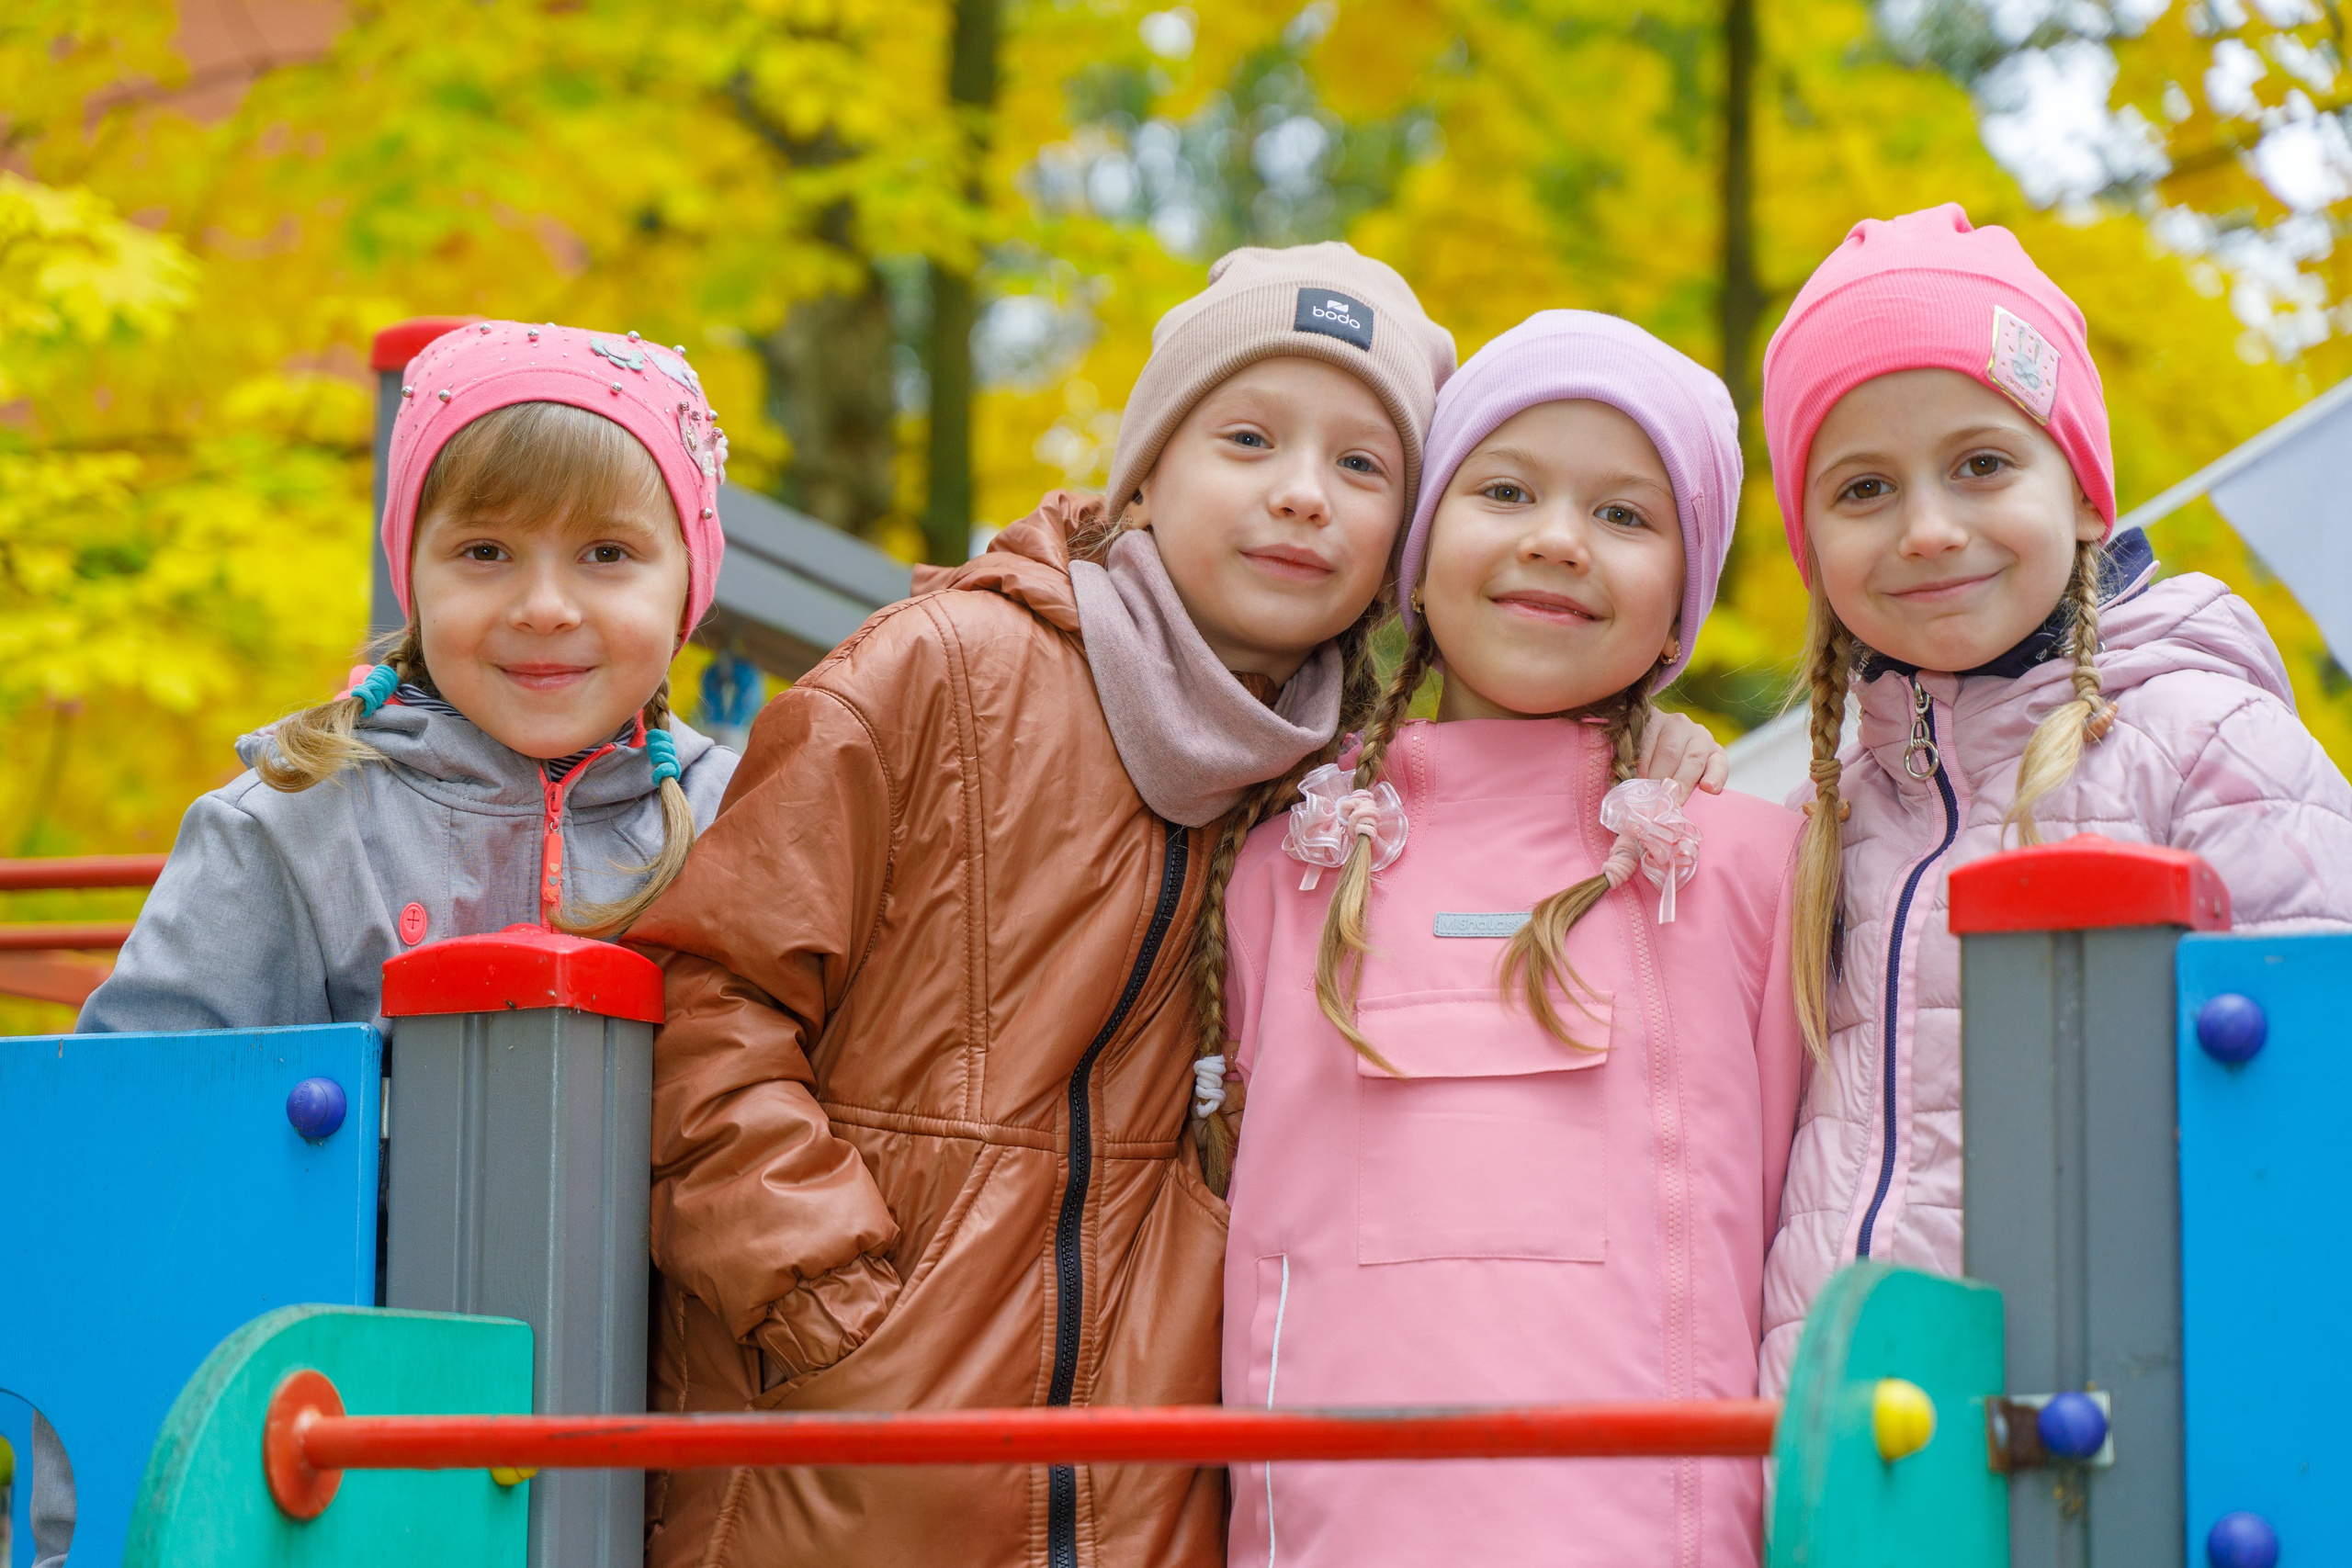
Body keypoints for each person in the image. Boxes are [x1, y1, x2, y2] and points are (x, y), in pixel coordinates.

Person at [628, 248, 1728, 1568]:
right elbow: (709, 988)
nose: (1301, 494)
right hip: (843, 1466)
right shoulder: (942, 672)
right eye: (1249, 437)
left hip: (1128, 1505)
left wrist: (1650, 748)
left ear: (1403, 547)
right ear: (1145, 471)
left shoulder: (1334, 799)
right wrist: (827, 1299)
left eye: (1363, 466)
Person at [1210, 311, 1800, 1568]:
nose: (1553, 537)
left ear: (1681, 609)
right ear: (1416, 559)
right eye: (1506, 488)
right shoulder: (1281, 864)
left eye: (1626, 515)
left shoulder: (1751, 866)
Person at [1757, 205, 2352, 1391]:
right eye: (1864, 486)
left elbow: (2311, 1125)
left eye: (1982, 463)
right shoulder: (1831, 814)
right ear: (1810, 540)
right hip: (1851, 1452)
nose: (1929, 527)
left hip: (2114, 1443)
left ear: (2084, 490)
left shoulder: (2207, 746)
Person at [80, 319, 738, 1033]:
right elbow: (132, 1107)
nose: (544, 608)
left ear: (688, 586)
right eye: (486, 551)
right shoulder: (296, 824)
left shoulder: (742, 823)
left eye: (607, 554)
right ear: (413, 578)